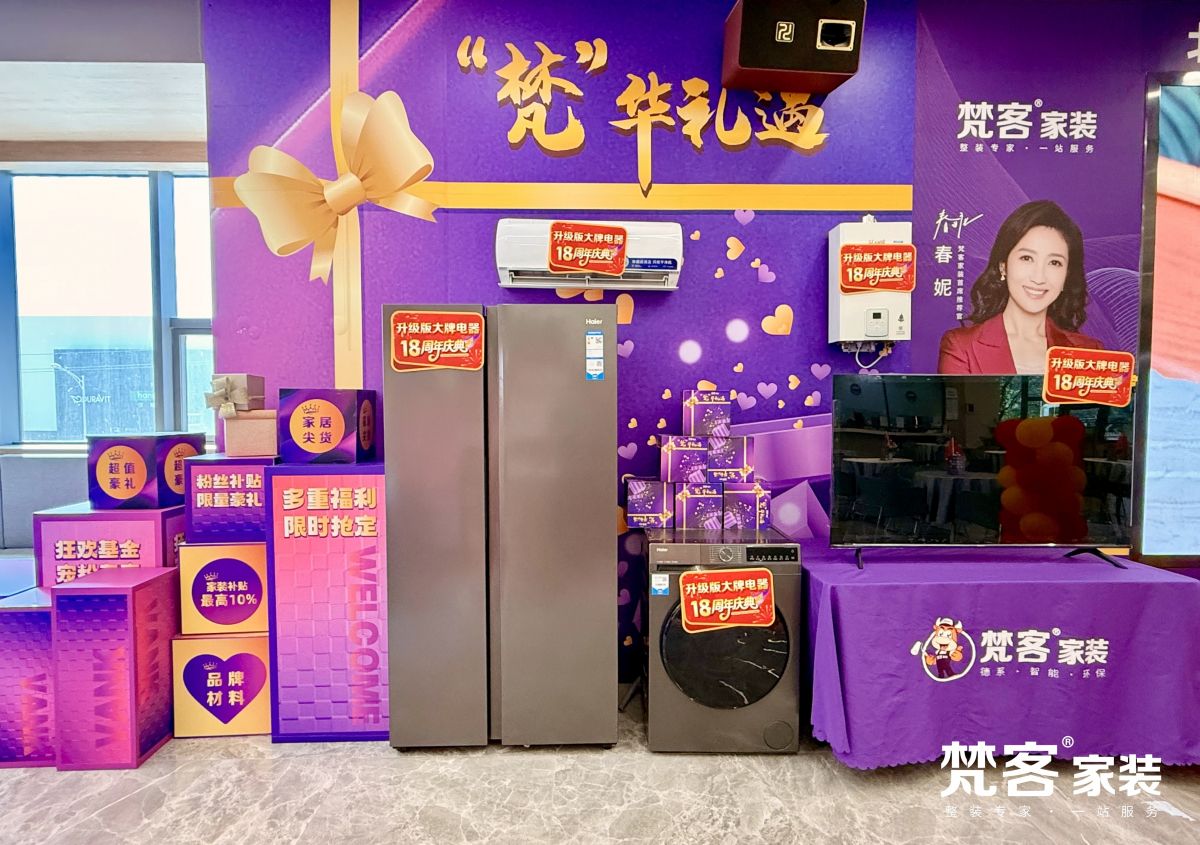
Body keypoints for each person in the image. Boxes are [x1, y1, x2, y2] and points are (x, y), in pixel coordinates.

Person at [938, 200, 1102, 374]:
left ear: (1066, 276)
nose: (1039, 277)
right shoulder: (961, 346)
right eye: (1027, 258)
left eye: (1055, 262)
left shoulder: (1089, 353)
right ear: (1003, 266)